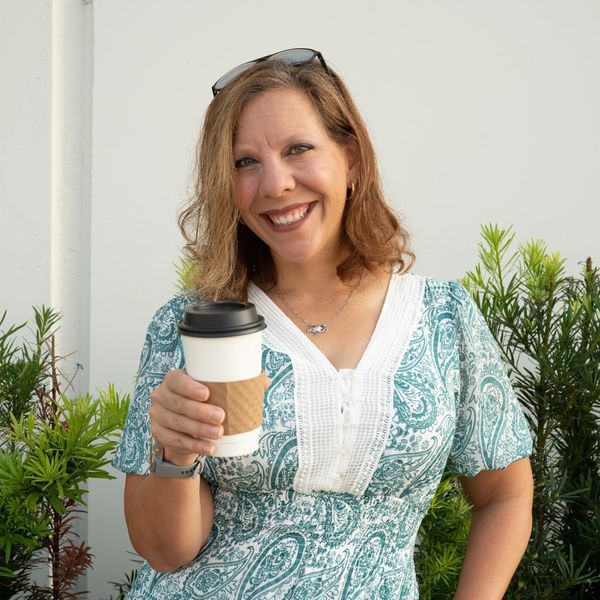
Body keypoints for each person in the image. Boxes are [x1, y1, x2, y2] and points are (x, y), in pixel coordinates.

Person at [113, 48, 534, 599]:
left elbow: (505, 493)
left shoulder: (444, 318)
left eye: (298, 150)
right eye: (245, 162)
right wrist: (174, 453)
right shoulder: (189, 327)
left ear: (352, 159)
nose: (276, 183)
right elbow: (167, 551)